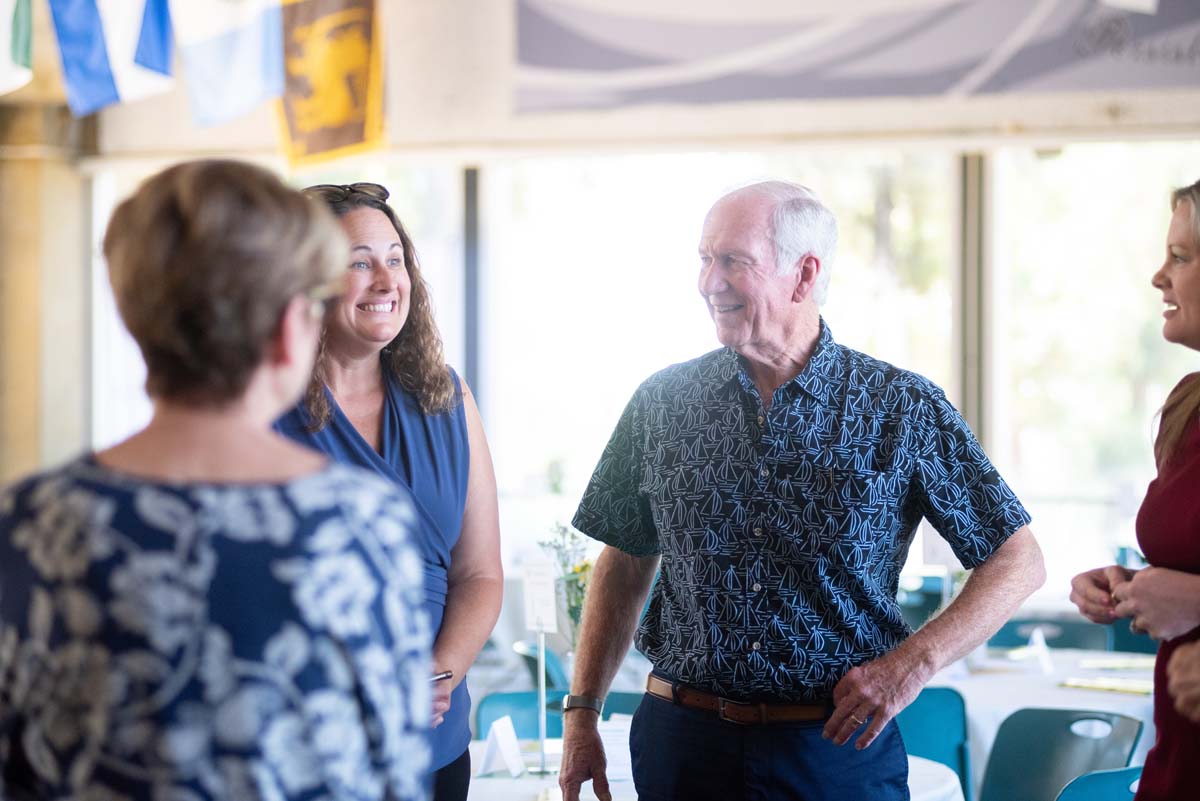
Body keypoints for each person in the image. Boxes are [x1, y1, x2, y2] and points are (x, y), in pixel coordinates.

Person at [559, 181, 1045, 801]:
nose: (709, 282)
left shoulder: (899, 407)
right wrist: (582, 714)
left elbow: (1019, 559)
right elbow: (625, 559)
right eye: (705, 259)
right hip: (682, 745)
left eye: (733, 260)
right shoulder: (662, 402)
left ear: (803, 274)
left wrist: (911, 667)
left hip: (834, 752)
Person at [0, 160, 431, 800]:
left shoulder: (34, 519)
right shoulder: (359, 524)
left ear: (135, 318)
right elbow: (393, 775)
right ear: (292, 329)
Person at [275, 182, 503, 801]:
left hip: (433, 746)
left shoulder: (447, 397)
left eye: (395, 258)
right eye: (358, 262)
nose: (386, 280)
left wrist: (436, 674)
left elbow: (480, 574)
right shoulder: (261, 413)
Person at [1070, 178, 1200, 801]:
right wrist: (1128, 584)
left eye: (1181, 256)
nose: (1159, 276)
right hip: (1177, 765)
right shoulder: (1187, 408)